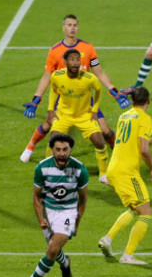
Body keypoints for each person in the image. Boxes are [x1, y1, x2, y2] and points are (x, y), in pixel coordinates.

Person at [21, 14, 130, 162]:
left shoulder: (88, 48)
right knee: (48, 124)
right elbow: (47, 77)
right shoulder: (55, 51)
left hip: (86, 100)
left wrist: (114, 92)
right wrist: (35, 99)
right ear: (63, 28)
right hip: (63, 98)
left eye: (75, 25)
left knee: (105, 130)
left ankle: (120, 155)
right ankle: (30, 147)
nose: (73, 28)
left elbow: (99, 71)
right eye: (69, 25)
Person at [97, 87, 152, 265]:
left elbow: (136, 140)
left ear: (131, 101)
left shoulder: (125, 116)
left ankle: (107, 239)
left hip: (113, 169)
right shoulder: (145, 118)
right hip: (127, 171)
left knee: (134, 208)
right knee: (146, 212)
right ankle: (128, 255)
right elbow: (143, 149)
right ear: (149, 101)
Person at [15, 133, 88, 277]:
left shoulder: (79, 170)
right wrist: (41, 218)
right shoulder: (42, 168)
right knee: (54, 251)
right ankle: (65, 263)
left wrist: (76, 223)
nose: (61, 153)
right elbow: (36, 196)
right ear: (52, 150)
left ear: (70, 150)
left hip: (68, 212)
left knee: (52, 249)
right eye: (57, 149)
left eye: (65, 149)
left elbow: (83, 199)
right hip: (48, 211)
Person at [46, 49, 110, 183]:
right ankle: (49, 170)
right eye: (72, 60)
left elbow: (98, 90)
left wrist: (95, 109)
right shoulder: (57, 76)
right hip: (64, 115)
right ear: (65, 62)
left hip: (85, 116)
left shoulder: (89, 78)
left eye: (78, 60)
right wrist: (51, 109)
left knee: (99, 141)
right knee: (53, 141)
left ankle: (103, 174)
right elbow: (53, 90)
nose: (76, 63)